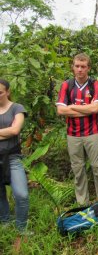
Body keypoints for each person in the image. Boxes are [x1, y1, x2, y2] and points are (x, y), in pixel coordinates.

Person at [56, 53, 98, 205]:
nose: (80, 69)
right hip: (73, 134)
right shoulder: (67, 85)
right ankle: (82, 202)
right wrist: (85, 108)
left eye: (83, 66)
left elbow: (95, 109)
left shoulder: (96, 85)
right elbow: (60, 111)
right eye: (77, 66)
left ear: (88, 68)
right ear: (73, 67)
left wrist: (71, 106)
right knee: (78, 169)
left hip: (93, 132)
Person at [0, 79, 30, 233]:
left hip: (12, 157)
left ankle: (21, 227)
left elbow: (14, 130)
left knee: (21, 194)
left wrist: (10, 131)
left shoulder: (17, 108)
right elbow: (9, 131)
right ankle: (5, 221)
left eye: (0, 92)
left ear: (8, 92)